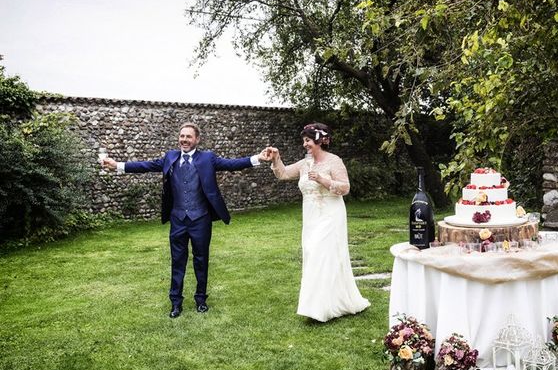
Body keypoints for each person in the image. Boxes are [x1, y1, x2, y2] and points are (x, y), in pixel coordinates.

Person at [102, 122, 271, 318]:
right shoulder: (170, 157)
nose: (184, 140)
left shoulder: (208, 158)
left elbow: (232, 164)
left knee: (201, 260)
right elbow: (145, 166)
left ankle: (201, 300)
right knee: (177, 261)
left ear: (197, 140)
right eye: (182, 136)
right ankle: (176, 302)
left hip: (201, 219)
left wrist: (257, 157)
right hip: (178, 219)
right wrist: (117, 166)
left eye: (188, 136)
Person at [268, 122, 370, 322]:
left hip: (331, 215)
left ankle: (320, 309)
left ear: (319, 140)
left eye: (307, 140)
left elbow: (346, 188)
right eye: (304, 141)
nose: (305, 144)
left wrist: (324, 180)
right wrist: (276, 158)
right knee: (313, 254)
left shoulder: (334, 161)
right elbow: (284, 173)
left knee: (321, 254)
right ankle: (322, 304)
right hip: (311, 217)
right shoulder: (305, 163)